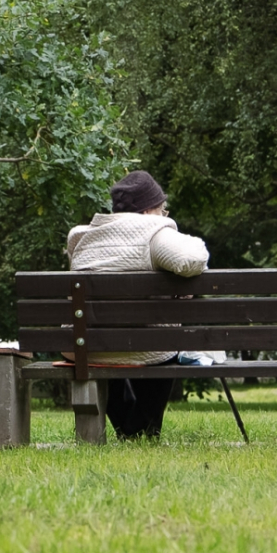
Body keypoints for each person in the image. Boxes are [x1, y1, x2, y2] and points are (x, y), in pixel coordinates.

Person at [66, 170, 209, 440]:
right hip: (147, 349)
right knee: (162, 345)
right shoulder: (154, 235)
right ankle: (142, 430)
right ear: (147, 212)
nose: (165, 217)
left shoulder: (82, 236)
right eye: (163, 211)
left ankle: (129, 429)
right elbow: (192, 260)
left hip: (87, 347)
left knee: (114, 346)